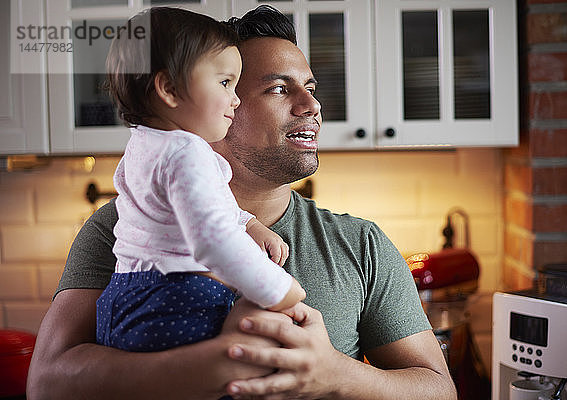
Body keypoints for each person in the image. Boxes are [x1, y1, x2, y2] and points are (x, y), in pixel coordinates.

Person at [27, 5, 457, 400]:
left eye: (309, 87)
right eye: (277, 89)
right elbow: (47, 383)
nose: (312, 106)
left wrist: (336, 374)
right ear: (212, 102)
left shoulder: (359, 243)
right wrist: (225, 361)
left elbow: (439, 391)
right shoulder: (122, 227)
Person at [95, 7, 305, 354]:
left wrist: (249, 224)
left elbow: (193, 208)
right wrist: (279, 289)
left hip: (127, 295)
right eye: (225, 82)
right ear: (169, 88)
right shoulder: (187, 151)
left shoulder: (143, 147)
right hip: (175, 299)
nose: (234, 99)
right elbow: (213, 241)